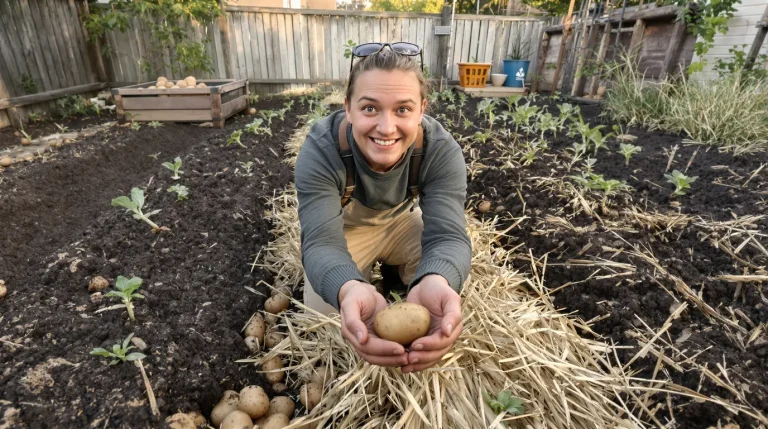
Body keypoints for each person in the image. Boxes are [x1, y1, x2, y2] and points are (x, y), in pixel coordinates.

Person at [295, 42, 471, 373]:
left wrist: (438, 277)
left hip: (400, 223)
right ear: (348, 108)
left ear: (422, 109)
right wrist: (347, 287)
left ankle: (400, 279)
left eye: (402, 109)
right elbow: (321, 242)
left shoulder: (440, 151)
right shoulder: (321, 150)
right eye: (370, 109)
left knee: (443, 287)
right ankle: (366, 283)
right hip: (344, 232)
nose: (386, 128)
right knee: (326, 317)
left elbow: (448, 235)